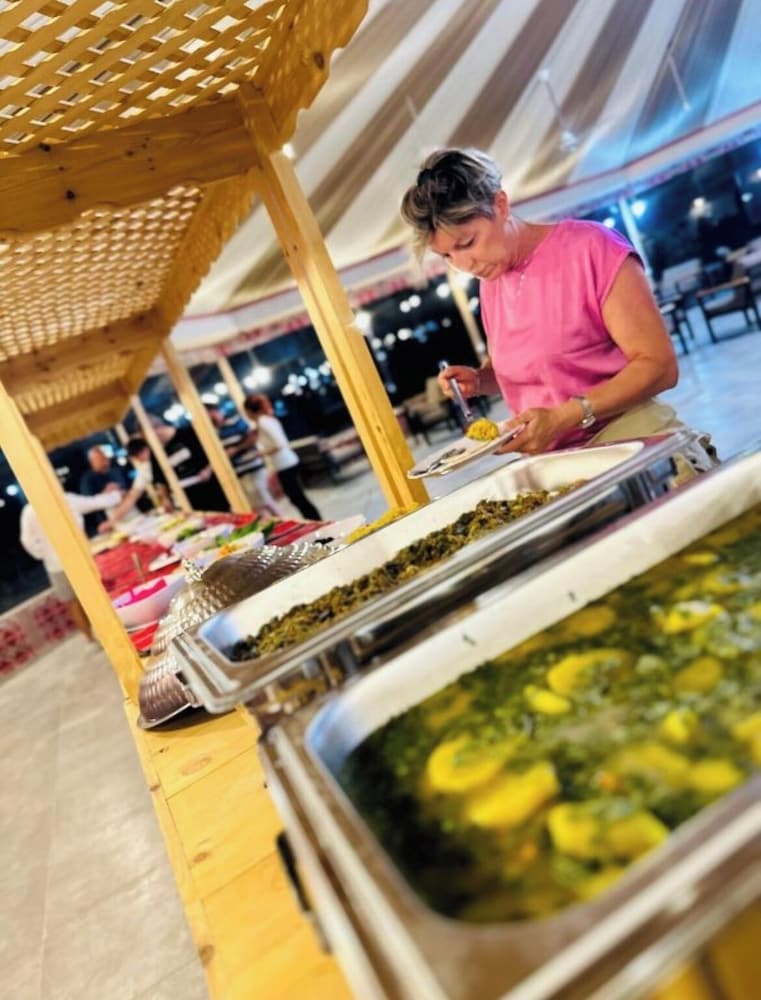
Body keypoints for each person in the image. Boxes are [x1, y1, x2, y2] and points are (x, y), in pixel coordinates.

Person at [400, 148, 717, 467]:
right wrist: (480, 380)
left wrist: (565, 417)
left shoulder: (591, 247)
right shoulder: (492, 282)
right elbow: (538, 370)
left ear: (500, 205)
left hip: (636, 444)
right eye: (447, 256)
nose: (464, 264)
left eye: (467, 243)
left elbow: (659, 366)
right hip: (559, 465)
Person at [20, 489, 123, 641]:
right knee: (93, 597)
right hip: (73, 560)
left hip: (57, 564)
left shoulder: (29, 511)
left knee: (74, 603)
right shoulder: (64, 499)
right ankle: (106, 634)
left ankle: (94, 638)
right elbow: (96, 502)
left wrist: (46, 553)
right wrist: (116, 494)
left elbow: (28, 541)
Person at [243, 394, 322, 521]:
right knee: (297, 498)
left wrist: (261, 453)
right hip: (285, 463)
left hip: (285, 463)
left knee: (298, 498)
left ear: (250, 410)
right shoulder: (265, 421)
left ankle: (316, 520)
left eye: (245, 411)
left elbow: (279, 443)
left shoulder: (263, 422)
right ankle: (314, 520)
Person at [205, 403, 284, 517]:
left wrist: (236, 449)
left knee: (265, 500)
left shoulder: (235, 421)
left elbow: (253, 438)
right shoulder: (215, 430)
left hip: (253, 465)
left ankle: (283, 522)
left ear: (213, 411)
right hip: (239, 471)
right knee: (256, 505)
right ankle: (273, 525)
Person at [79, 445, 129, 536]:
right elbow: (88, 502)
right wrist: (105, 493)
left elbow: (128, 490)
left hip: (126, 514)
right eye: (100, 458)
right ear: (92, 461)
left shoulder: (115, 472)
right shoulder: (87, 479)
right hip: (105, 523)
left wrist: (121, 491)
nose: (104, 460)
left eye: (104, 457)